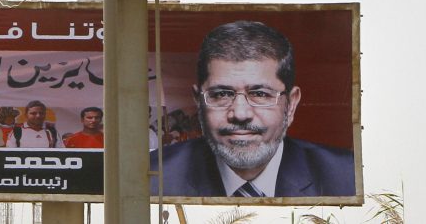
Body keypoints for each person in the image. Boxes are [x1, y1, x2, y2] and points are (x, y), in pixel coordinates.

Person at [149, 21, 355, 198]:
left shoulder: (348, 177)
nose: (240, 114)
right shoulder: (150, 177)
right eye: (221, 94)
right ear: (198, 102)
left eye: (260, 94)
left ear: (291, 104)